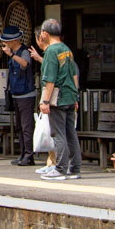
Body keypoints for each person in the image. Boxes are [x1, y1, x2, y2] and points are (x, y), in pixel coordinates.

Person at [35, 18, 82, 180]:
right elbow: (74, 75)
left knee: (58, 134)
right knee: (71, 133)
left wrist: (45, 101)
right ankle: (75, 168)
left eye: (41, 32)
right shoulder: (67, 50)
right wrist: (75, 96)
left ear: (45, 34)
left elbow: (50, 80)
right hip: (70, 96)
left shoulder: (51, 51)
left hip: (58, 98)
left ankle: (60, 169)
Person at [0, 27, 40, 166]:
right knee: (19, 127)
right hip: (16, 94)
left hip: (26, 95)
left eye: (7, 41)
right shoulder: (14, 53)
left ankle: (29, 155)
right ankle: (22, 154)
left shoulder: (24, 51)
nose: (5, 44)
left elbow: (25, 64)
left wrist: (11, 55)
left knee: (27, 126)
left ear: (15, 41)